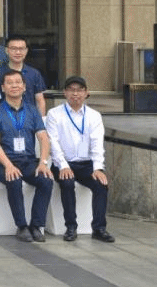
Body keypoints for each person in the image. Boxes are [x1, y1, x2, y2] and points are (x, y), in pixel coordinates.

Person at [45, 76, 115, 242]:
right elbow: (53, 143)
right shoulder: (54, 114)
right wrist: (63, 165)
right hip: (62, 163)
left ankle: (99, 228)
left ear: (86, 93)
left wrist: (98, 168)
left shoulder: (94, 116)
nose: (75, 94)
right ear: (65, 93)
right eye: (71, 90)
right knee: (67, 183)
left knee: (101, 185)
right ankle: (71, 227)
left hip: (86, 164)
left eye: (79, 90)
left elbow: (97, 144)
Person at [0, 70, 54, 243]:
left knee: (46, 180)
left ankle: (36, 225)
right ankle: (22, 226)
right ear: (3, 88)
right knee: (14, 179)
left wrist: (43, 162)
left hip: (28, 161)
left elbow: (43, 138)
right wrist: (8, 165)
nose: (14, 86)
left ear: (24, 87)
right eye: (10, 83)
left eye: (18, 82)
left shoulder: (32, 111)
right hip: (3, 162)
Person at [0, 35, 48, 116]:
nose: (18, 52)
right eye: (14, 49)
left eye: (21, 49)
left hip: (29, 119)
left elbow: (40, 100)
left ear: (26, 51)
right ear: (7, 50)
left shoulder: (34, 73)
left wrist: (41, 119)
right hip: (5, 119)